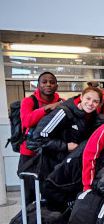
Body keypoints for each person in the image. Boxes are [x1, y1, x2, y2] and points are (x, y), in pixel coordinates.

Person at [27, 86, 104, 188]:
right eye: (88, 99)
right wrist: (65, 146)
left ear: (99, 104)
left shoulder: (92, 117)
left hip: (71, 167)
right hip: (53, 166)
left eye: (95, 101)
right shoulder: (64, 112)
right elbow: (37, 138)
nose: (91, 103)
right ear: (81, 97)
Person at [18, 72, 63, 204]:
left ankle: (49, 221)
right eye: (44, 82)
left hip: (52, 153)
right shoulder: (29, 101)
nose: (48, 84)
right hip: (30, 154)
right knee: (28, 194)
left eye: (52, 82)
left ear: (57, 86)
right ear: (38, 85)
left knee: (51, 192)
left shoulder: (62, 103)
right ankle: (27, 223)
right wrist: (48, 108)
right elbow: (26, 121)